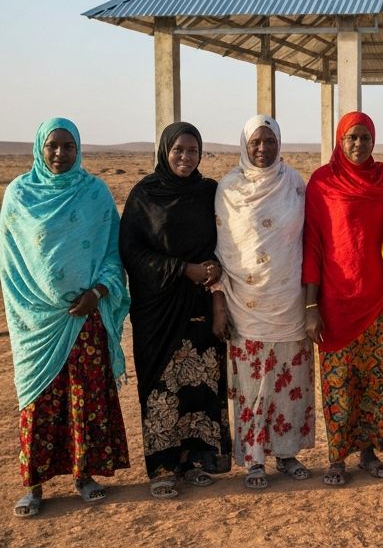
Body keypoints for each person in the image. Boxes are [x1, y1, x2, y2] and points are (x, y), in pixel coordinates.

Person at [1, 118, 131, 517]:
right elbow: (11, 265)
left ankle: (84, 475)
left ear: (79, 150)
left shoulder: (94, 193)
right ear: (40, 148)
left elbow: (113, 253)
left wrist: (98, 293)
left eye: (68, 146)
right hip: (36, 322)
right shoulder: (19, 195)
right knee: (38, 400)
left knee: (85, 395)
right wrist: (30, 310)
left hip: (85, 316)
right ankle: (34, 484)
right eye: (53, 146)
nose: (60, 154)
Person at [120, 122, 231, 499]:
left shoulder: (209, 192)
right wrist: (183, 269)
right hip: (158, 310)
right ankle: (163, 466)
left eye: (193, 150)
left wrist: (213, 270)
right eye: (178, 150)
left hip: (200, 304)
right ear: (165, 151)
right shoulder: (144, 195)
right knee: (161, 387)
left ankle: (195, 460)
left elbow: (225, 240)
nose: (185, 157)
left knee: (199, 384)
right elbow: (131, 252)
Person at [303, 112, 383, 486]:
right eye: (351, 138)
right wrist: (311, 306)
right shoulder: (322, 182)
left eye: (364, 138)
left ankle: (369, 452)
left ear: (373, 140)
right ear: (339, 141)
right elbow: (312, 244)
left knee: (377, 381)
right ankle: (336, 458)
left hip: (379, 298)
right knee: (338, 383)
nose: (358, 145)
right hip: (334, 302)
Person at [215, 115, 314, 491]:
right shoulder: (228, 189)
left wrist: (309, 304)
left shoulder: (295, 185)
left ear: (279, 143)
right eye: (255, 142)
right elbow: (223, 248)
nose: (262, 148)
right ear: (244, 144)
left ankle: (287, 452)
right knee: (253, 385)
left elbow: (306, 242)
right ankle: (255, 459)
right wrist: (220, 301)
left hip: (288, 300)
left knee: (290, 383)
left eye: (269, 141)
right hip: (246, 302)